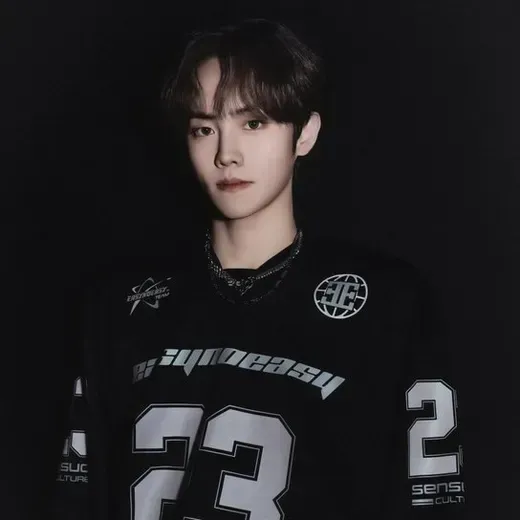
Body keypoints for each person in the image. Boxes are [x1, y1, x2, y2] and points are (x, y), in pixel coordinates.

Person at [66, 18, 466, 519]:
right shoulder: (119, 305)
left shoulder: (389, 304)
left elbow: (432, 499)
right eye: (204, 128)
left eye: (253, 123)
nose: (226, 154)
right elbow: (76, 497)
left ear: (305, 133)